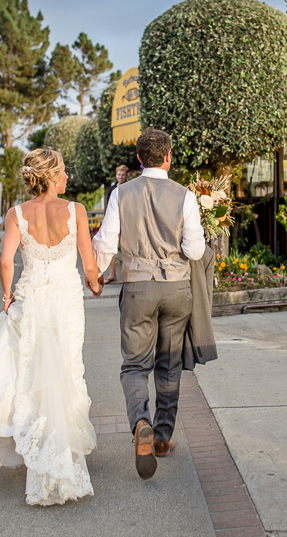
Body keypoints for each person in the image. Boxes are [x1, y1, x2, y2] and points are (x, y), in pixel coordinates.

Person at [0, 148, 102, 506]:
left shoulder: (16, 214)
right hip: (65, 301)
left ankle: (45, 448)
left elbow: (6, 262)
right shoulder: (76, 211)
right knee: (66, 370)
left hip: (31, 299)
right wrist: (94, 284)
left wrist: (6, 296)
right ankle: (62, 449)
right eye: (63, 171)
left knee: (32, 375)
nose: (67, 177)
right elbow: (89, 264)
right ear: (51, 175)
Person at [92, 129, 205, 480]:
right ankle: (162, 437)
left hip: (137, 286)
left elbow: (107, 243)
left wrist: (95, 274)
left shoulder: (121, 193)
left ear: (139, 159)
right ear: (168, 156)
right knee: (169, 366)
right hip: (176, 289)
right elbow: (195, 250)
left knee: (134, 365)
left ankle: (140, 422)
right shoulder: (185, 195)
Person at [103, 164, 129, 283]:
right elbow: (108, 205)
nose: (121, 176)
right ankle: (112, 274)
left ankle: (126, 275)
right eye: (119, 174)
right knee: (112, 247)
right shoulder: (112, 188)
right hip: (114, 221)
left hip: (127, 220)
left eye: (123, 175)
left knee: (126, 248)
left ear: (126, 175)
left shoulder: (129, 187)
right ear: (116, 175)